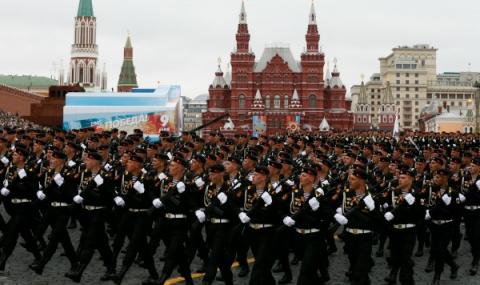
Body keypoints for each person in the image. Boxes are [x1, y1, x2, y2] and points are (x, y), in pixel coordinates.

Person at [66, 152, 115, 283]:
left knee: (89, 242)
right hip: (85, 213)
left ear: (96, 162)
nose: (85, 162)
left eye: (88, 160)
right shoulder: (83, 173)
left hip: (98, 213)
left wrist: (100, 187)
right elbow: (71, 182)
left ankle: (79, 272)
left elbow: (109, 196)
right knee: (102, 243)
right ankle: (111, 269)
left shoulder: (105, 176)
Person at [334, 168, 380, 285]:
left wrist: (373, 209)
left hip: (364, 238)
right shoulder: (346, 193)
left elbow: (379, 221)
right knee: (355, 268)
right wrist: (336, 213)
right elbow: (327, 205)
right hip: (349, 236)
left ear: (361, 181)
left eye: (353, 179)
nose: (350, 181)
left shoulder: (372, 197)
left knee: (359, 272)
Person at [382, 169, 424, 285]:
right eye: (399, 177)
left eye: (403, 177)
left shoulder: (418, 193)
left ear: (411, 179)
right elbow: (385, 205)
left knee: (405, 258)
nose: (400, 180)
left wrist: (414, 204)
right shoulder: (393, 191)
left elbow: (421, 214)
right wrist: (386, 211)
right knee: (395, 255)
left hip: (409, 230)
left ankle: (406, 280)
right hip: (394, 229)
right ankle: (394, 274)